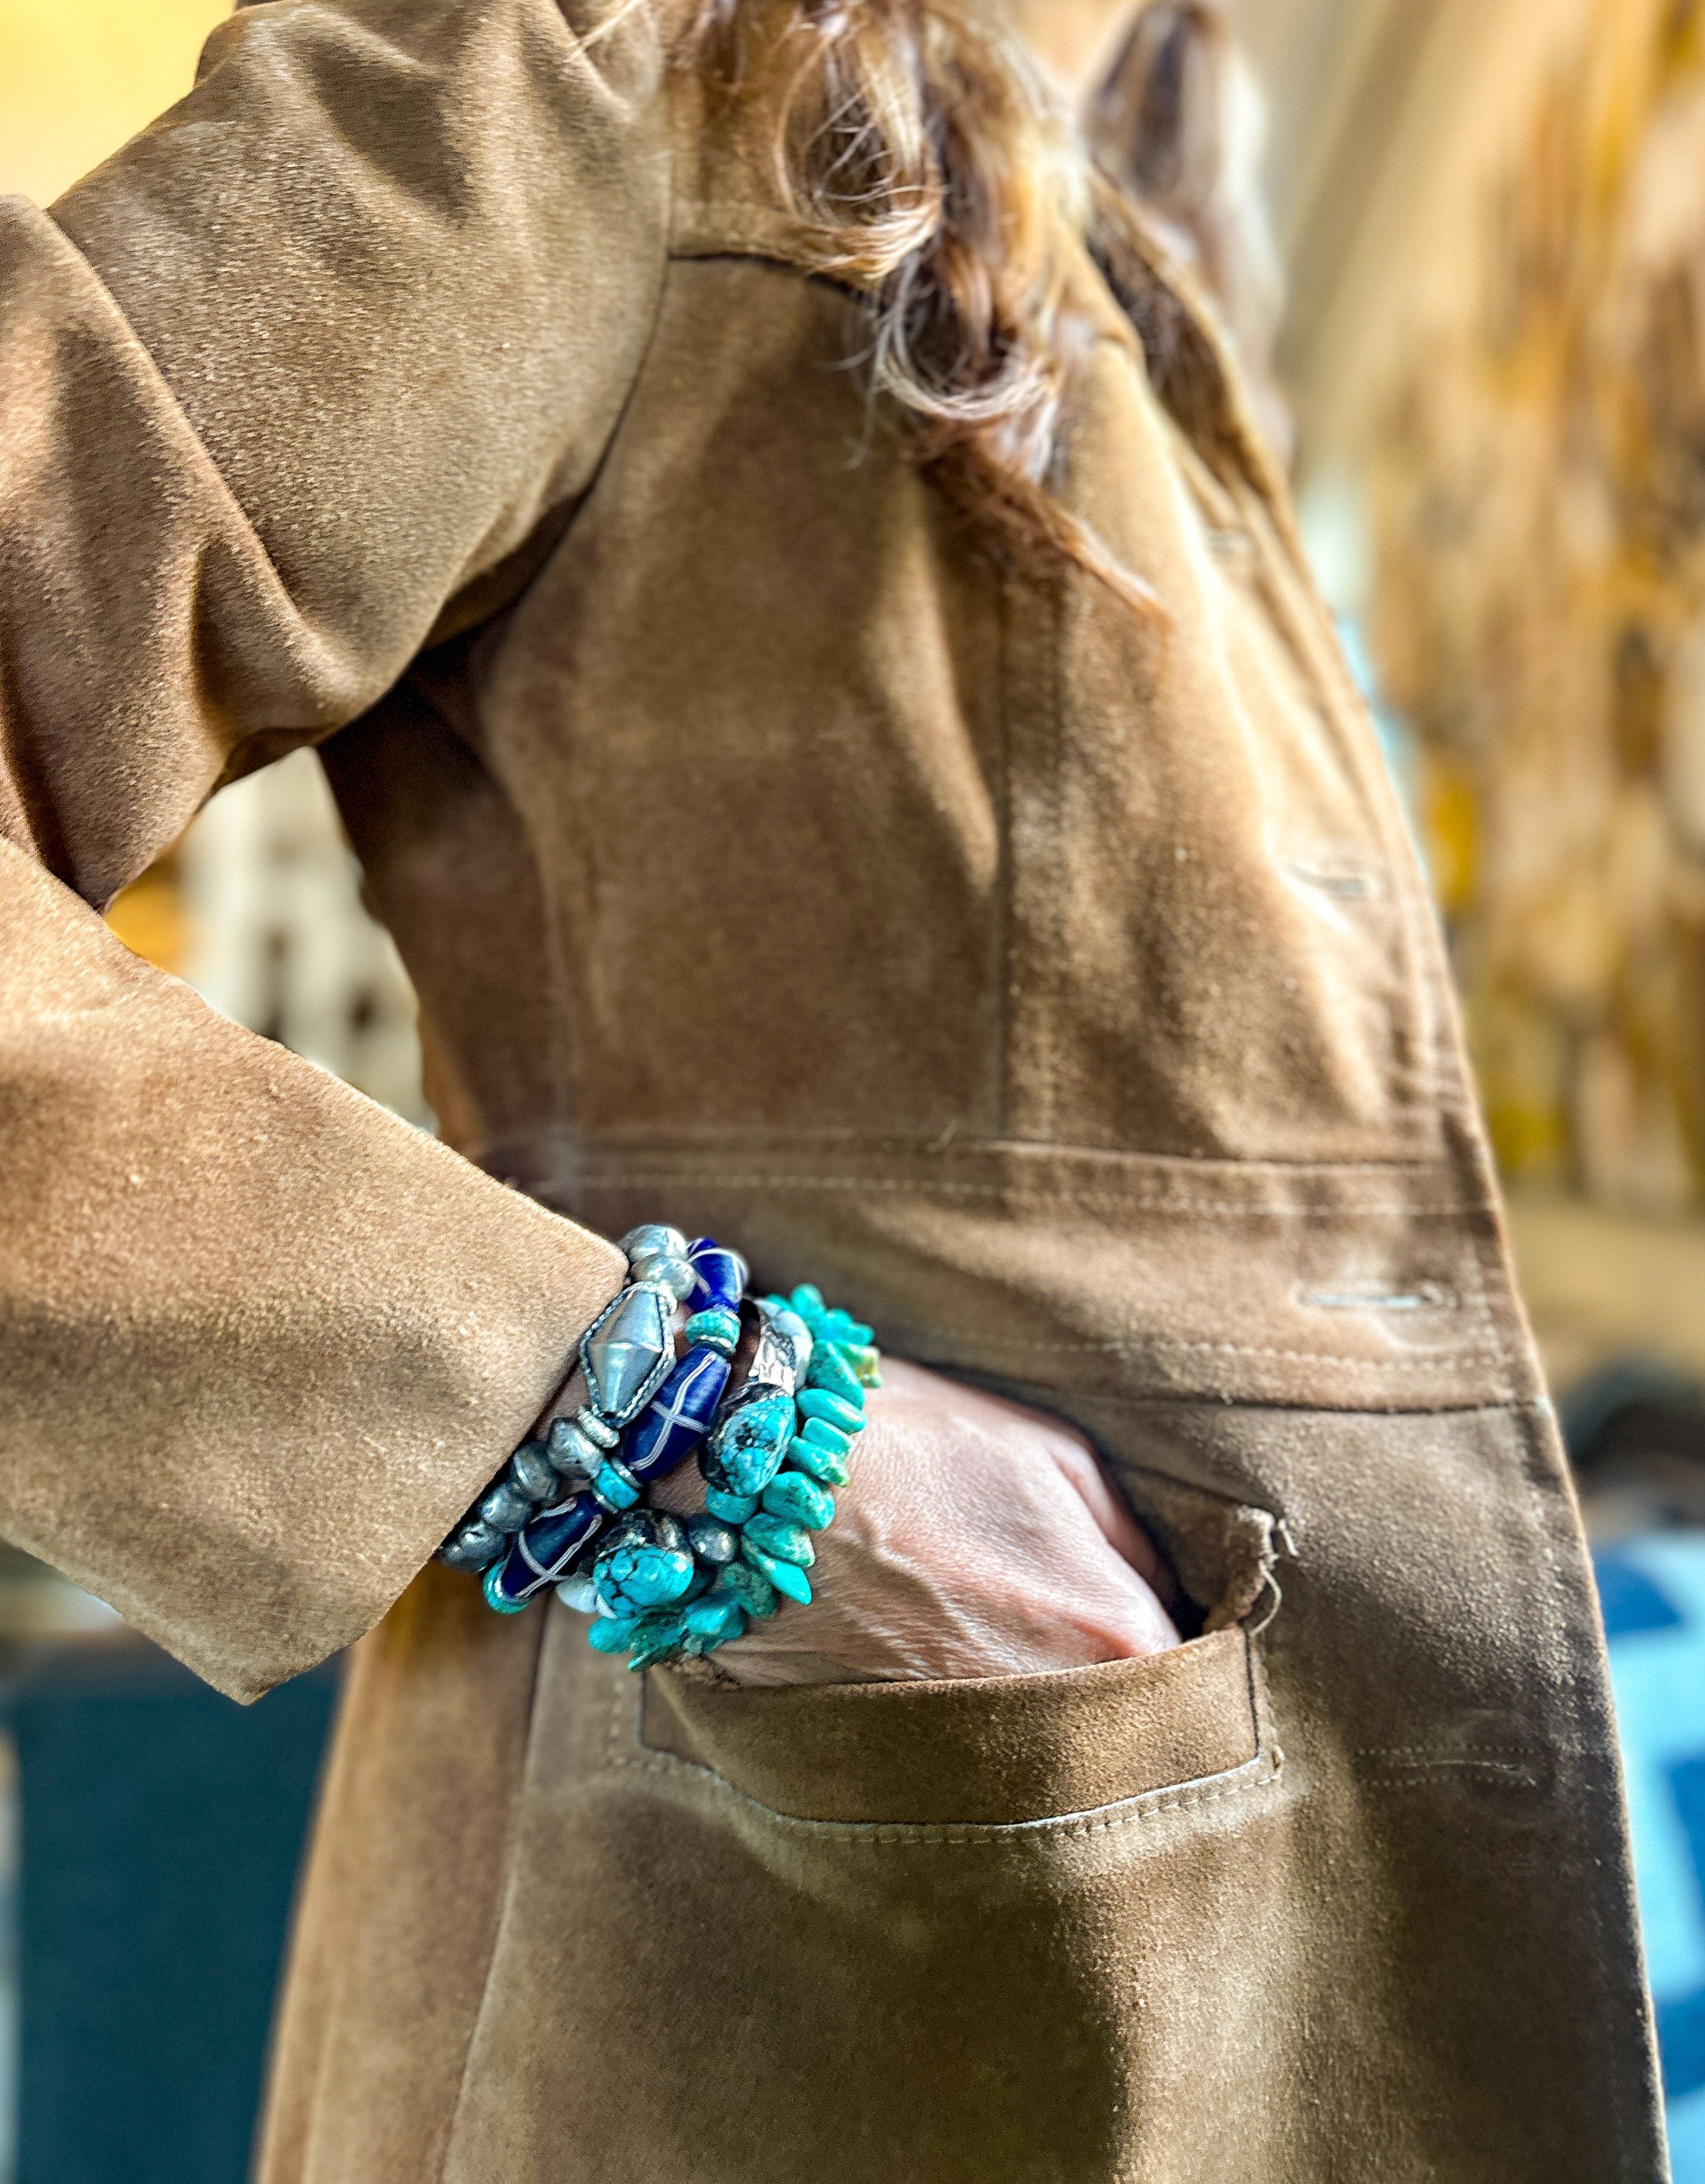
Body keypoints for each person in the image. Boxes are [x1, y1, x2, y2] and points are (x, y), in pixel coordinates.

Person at [0, 0, 1662, 2177]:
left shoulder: (1150, 262)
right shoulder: (592, 82)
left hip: (1235, 1965)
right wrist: (720, 1452)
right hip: (771, 1965)